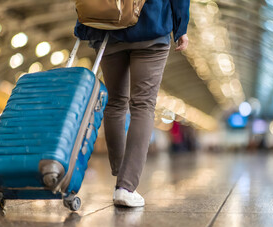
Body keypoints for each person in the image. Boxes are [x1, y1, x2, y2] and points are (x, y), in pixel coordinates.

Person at [74, 0, 190, 207]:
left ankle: (120, 174)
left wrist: (84, 23)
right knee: (143, 105)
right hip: (151, 25)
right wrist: (181, 27)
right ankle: (126, 186)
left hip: (109, 27)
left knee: (116, 103)